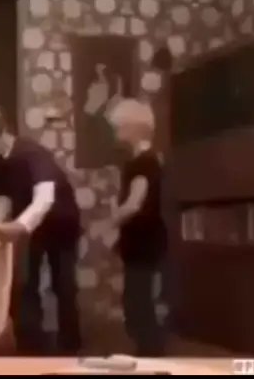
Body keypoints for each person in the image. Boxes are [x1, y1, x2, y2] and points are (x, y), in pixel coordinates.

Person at [0, 104, 82, 356]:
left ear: (4, 132)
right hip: (32, 227)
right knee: (26, 282)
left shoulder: (33, 154)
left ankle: (71, 345)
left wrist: (19, 227)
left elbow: (45, 198)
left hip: (61, 223)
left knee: (63, 283)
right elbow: (2, 200)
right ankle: (31, 344)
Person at [109, 98, 167, 356]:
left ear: (133, 127)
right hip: (143, 243)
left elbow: (134, 204)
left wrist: (113, 219)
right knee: (137, 301)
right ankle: (149, 351)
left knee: (138, 304)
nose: (116, 131)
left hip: (144, 244)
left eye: (119, 126)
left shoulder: (142, 163)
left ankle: (151, 354)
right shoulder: (147, 161)